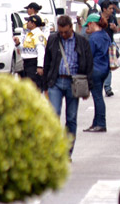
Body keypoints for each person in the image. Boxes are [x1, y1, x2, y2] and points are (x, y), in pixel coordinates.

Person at [43, 15, 93, 156]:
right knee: (54, 115)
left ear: (72, 27)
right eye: (61, 32)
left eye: (66, 32)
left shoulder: (82, 41)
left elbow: (89, 63)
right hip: (56, 82)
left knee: (71, 118)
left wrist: (88, 87)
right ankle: (53, 150)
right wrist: (45, 86)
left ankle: (67, 152)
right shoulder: (53, 39)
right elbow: (47, 62)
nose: (63, 35)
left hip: (74, 83)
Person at [84, 13, 111, 133]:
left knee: (97, 97)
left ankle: (101, 123)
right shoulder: (105, 35)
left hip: (95, 69)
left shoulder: (93, 38)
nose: (86, 28)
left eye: (88, 25)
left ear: (93, 24)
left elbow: (89, 56)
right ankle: (96, 122)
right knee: (97, 97)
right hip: (105, 69)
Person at [14, 14, 46, 89]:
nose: (26, 23)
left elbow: (41, 52)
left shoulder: (38, 35)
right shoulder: (29, 34)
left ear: (33, 24)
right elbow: (25, 50)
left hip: (33, 64)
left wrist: (40, 66)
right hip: (26, 64)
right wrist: (18, 44)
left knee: (33, 87)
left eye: (28, 21)